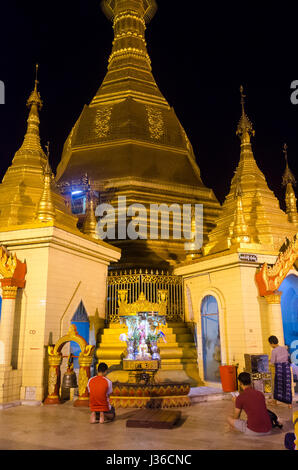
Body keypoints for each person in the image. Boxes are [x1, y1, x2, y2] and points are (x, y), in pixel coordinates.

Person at [227, 372, 272, 436]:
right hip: (268, 429)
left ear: (241, 383)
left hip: (254, 431)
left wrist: (236, 402)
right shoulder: (260, 394)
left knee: (229, 419)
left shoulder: (240, 397)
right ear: (251, 382)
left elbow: (236, 417)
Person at [268, 336, 292, 407]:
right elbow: (287, 357)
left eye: (270, 344)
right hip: (287, 370)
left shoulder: (274, 351)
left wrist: (268, 361)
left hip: (279, 371)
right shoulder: (284, 348)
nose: (270, 345)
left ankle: (275, 402)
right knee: (287, 386)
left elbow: (272, 362)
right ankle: (289, 404)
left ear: (272, 343)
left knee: (278, 386)